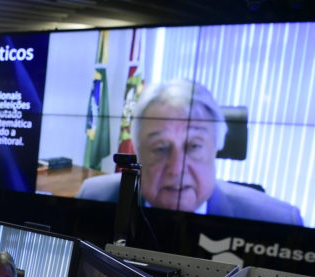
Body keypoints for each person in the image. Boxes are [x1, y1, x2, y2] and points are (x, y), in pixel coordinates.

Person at [76, 79, 303, 226]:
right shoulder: (95, 198)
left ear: (217, 146)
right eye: (160, 148)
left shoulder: (278, 221)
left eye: (194, 146)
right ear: (137, 151)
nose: (177, 170)